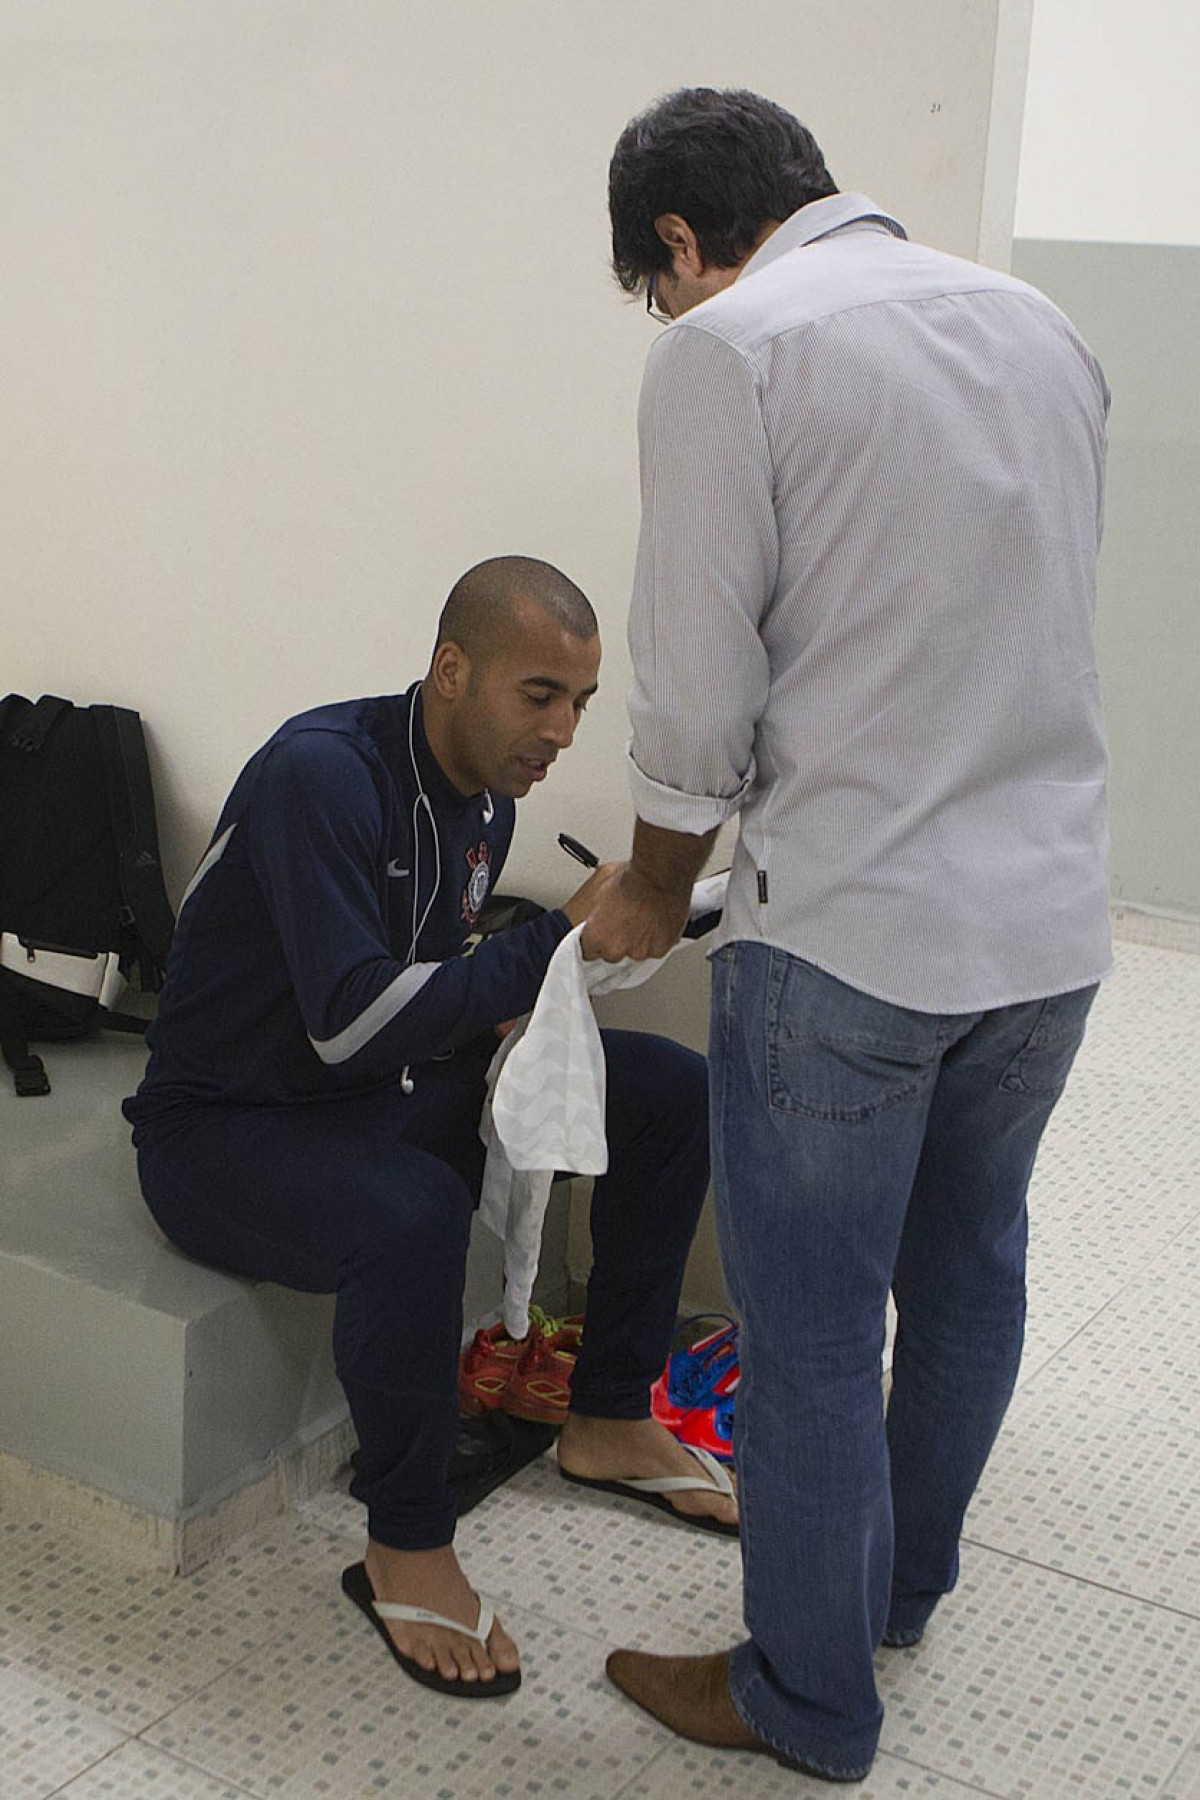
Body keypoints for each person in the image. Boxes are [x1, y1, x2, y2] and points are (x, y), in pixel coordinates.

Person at [588, 89, 1111, 1780]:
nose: (665, 307)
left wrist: (657, 885)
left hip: (856, 944)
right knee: (973, 1270)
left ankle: (805, 1699)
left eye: (652, 278)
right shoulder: (1037, 323)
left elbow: (697, 683)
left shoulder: (728, 350)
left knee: (812, 1333)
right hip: (1048, 923)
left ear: (678, 238)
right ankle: (900, 1588)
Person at [124, 554, 737, 1702]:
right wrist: (556, 935)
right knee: (412, 1213)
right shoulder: (322, 774)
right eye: (540, 694)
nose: (562, 731)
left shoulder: (488, 800)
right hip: (224, 1124)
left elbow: (436, 990)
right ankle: (407, 1539)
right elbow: (349, 1027)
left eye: (583, 704)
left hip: (372, 1090)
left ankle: (607, 1415)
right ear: (452, 669)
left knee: (667, 1093)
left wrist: (596, 956)